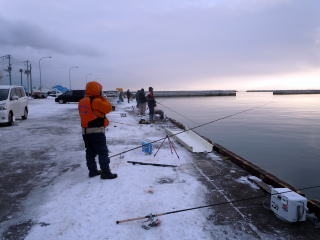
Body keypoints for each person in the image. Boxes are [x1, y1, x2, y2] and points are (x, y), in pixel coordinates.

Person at [78, 81, 117, 179]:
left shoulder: (82, 101)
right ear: (97, 90)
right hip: (96, 131)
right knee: (102, 152)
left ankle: (93, 171)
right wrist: (102, 97)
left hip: (85, 131)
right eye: (100, 90)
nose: (101, 91)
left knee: (90, 152)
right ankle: (106, 173)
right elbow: (108, 108)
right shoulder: (96, 101)